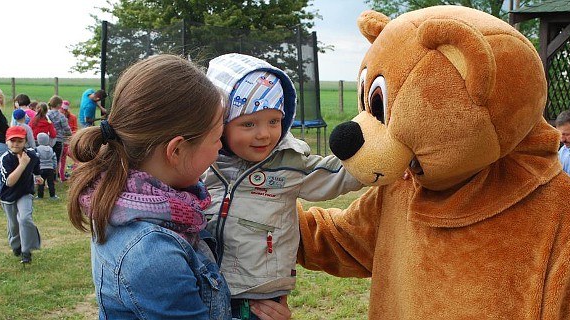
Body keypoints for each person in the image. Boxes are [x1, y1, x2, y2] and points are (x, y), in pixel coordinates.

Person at [66, 54, 291, 320]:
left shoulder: (140, 203)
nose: (221, 147)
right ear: (177, 149)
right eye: (217, 138)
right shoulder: (153, 254)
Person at [202, 53, 362, 319]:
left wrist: (386, 162)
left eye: (274, 121)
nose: (264, 133)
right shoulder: (202, 163)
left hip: (257, 300)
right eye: (249, 123)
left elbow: (336, 174)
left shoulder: (289, 165)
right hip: (203, 288)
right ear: (220, 124)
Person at [0, 125, 43, 264]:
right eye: (13, 141)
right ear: (7, 141)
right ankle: (16, 245)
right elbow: (10, 182)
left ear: (25, 142)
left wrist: (38, 175)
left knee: (24, 219)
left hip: (25, 192)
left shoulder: (32, 154)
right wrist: (22, 164)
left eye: (19, 141)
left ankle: (26, 250)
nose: (16, 144)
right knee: (13, 225)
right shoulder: (5, 159)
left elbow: (36, 166)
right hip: (8, 196)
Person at [46, 96, 72, 181]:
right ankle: (54, 177)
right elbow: (66, 128)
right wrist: (70, 135)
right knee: (57, 159)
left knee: (48, 159)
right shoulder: (61, 116)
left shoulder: (47, 114)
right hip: (59, 139)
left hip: (48, 139)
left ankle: (47, 176)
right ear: (58, 105)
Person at [58, 100, 78, 181]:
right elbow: (75, 130)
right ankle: (74, 174)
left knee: (62, 162)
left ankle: (62, 177)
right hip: (69, 143)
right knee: (76, 160)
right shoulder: (72, 117)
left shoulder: (58, 117)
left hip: (62, 143)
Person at [35, 132, 57, 199]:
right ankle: (52, 195)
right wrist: (54, 167)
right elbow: (54, 158)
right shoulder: (51, 149)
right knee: (51, 183)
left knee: (41, 183)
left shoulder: (37, 149)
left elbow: (36, 158)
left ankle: (40, 196)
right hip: (50, 168)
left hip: (41, 168)